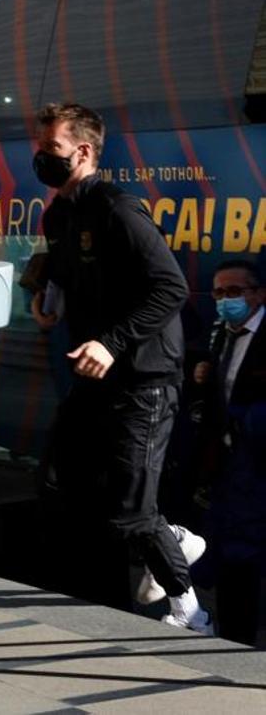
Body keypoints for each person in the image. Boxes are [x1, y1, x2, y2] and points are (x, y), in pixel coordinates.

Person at [31, 102, 210, 633]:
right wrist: (45, 296)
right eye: (39, 149)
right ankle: (163, 547)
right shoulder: (59, 214)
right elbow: (62, 271)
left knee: (131, 508)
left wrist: (110, 343)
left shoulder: (117, 208)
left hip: (145, 376)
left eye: (51, 150)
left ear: (83, 152)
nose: (40, 158)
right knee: (63, 479)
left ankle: (190, 610)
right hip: (94, 377)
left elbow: (171, 287)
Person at [196, 260, 266, 645]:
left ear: (258, 294)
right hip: (227, 463)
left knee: (244, 551)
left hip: (257, 460)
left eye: (235, 292)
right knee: (230, 550)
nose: (226, 300)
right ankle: (232, 635)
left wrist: (247, 420)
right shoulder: (221, 332)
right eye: (219, 293)